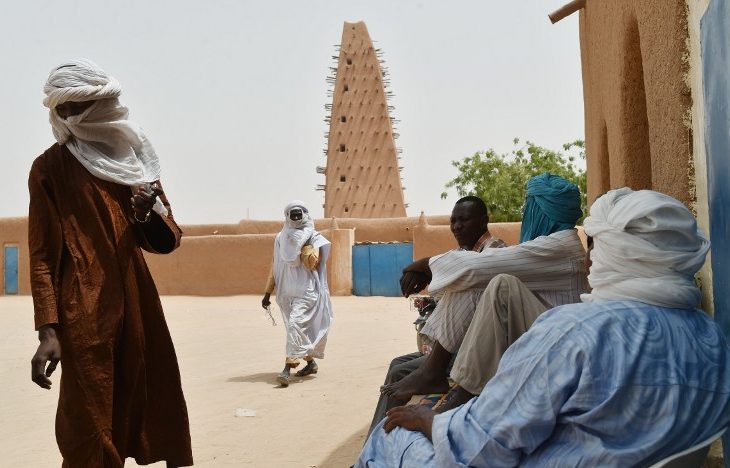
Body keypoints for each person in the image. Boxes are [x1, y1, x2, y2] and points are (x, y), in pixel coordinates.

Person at [357, 188, 730, 467]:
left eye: (595, 245)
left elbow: (480, 448)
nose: (588, 256)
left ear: (611, 252)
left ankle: (438, 381)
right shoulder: (714, 340)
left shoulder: (572, 333)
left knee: (391, 438)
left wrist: (431, 423)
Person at [28, 59, 192, 467]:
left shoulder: (133, 160)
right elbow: (43, 254)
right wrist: (48, 329)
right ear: (64, 112)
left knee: (148, 398)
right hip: (82, 310)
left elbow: (167, 239)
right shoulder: (49, 169)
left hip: (137, 305)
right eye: (70, 109)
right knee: (88, 418)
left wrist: (148, 214)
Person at [380, 173, 587, 404]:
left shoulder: (560, 247)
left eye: (530, 207)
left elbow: (476, 269)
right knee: (482, 277)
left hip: (556, 347)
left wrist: (423, 264)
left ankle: (441, 376)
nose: (526, 214)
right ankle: (434, 371)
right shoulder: (552, 246)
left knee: (497, 283)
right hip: (540, 337)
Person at [368, 196, 506, 435]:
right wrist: (422, 274)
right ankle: (375, 441)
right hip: (458, 346)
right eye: (453, 221)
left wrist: (421, 267)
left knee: (401, 372)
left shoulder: (494, 251)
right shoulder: (463, 253)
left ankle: (376, 445)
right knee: (398, 364)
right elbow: (450, 268)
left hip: (474, 351)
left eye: (464, 220)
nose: (457, 226)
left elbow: (466, 267)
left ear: (484, 220)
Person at [261, 201, 333, 387]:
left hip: (306, 291)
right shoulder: (280, 238)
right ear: (287, 217)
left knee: (295, 324)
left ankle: (287, 368)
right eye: (292, 216)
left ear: (305, 215)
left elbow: (313, 264)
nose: (296, 218)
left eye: (298, 215)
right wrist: (268, 292)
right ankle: (310, 363)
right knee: (297, 329)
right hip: (286, 292)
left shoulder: (313, 236)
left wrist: (307, 249)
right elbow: (275, 266)